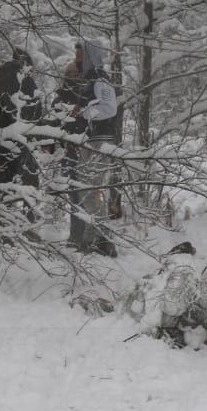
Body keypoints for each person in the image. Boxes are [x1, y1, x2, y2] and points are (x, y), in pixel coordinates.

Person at [63, 39, 118, 256]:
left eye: (81, 54)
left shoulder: (100, 79)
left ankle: (101, 239)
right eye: (76, 54)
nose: (77, 59)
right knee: (87, 190)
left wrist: (84, 114)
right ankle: (90, 239)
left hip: (99, 141)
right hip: (90, 140)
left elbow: (109, 108)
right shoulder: (89, 79)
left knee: (91, 190)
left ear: (91, 55)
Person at [0, 48, 43, 223]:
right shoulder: (25, 81)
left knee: (5, 186)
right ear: (25, 65)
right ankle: (28, 225)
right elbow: (36, 113)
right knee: (31, 183)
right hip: (21, 138)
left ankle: (5, 229)